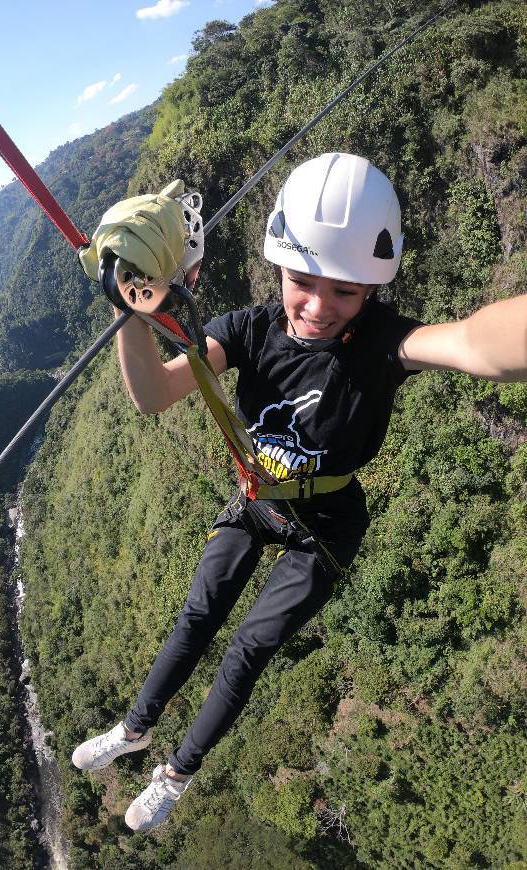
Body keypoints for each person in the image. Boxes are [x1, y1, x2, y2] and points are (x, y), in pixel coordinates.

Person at [72, 153, 527, 832]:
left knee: (248, 647)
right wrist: (132, 309)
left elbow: (475, 345)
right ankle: (136, 727)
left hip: (327, 524)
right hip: (260, 498)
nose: (317, 307)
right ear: (277, 270)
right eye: (301, 282)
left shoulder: (383, 346)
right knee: (199, 614)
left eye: (344, 291)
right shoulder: (247, 331)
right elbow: (153, 395)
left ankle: (177, 773)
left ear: (372, 289)